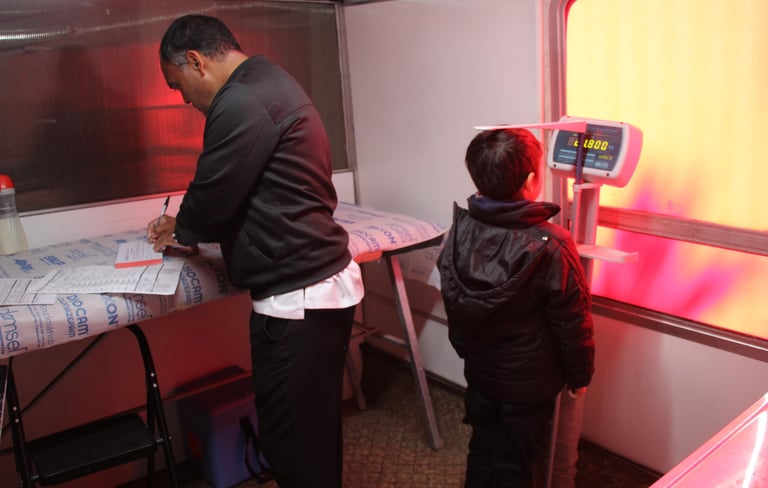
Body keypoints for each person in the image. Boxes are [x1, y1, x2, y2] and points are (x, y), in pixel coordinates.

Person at [147, 15, 364, 488]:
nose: (183, 99)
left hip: (297, 299)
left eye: (177, 85)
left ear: (196, 62)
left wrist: (181, 227)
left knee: (292, 448)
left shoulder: (241, 99)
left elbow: (213, 194)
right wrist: (186, 224)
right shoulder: (268, 79)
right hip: (315, 289)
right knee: (314, 434)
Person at [437, 128, 595, 488]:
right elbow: (573, 321)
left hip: (480, 370)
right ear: (530, 181)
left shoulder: (462, 228)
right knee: (517, 462)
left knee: (482, 446)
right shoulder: (552, 244)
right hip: (528, 384)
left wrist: (465, 350)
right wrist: (580, 375)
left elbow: (452, 297)